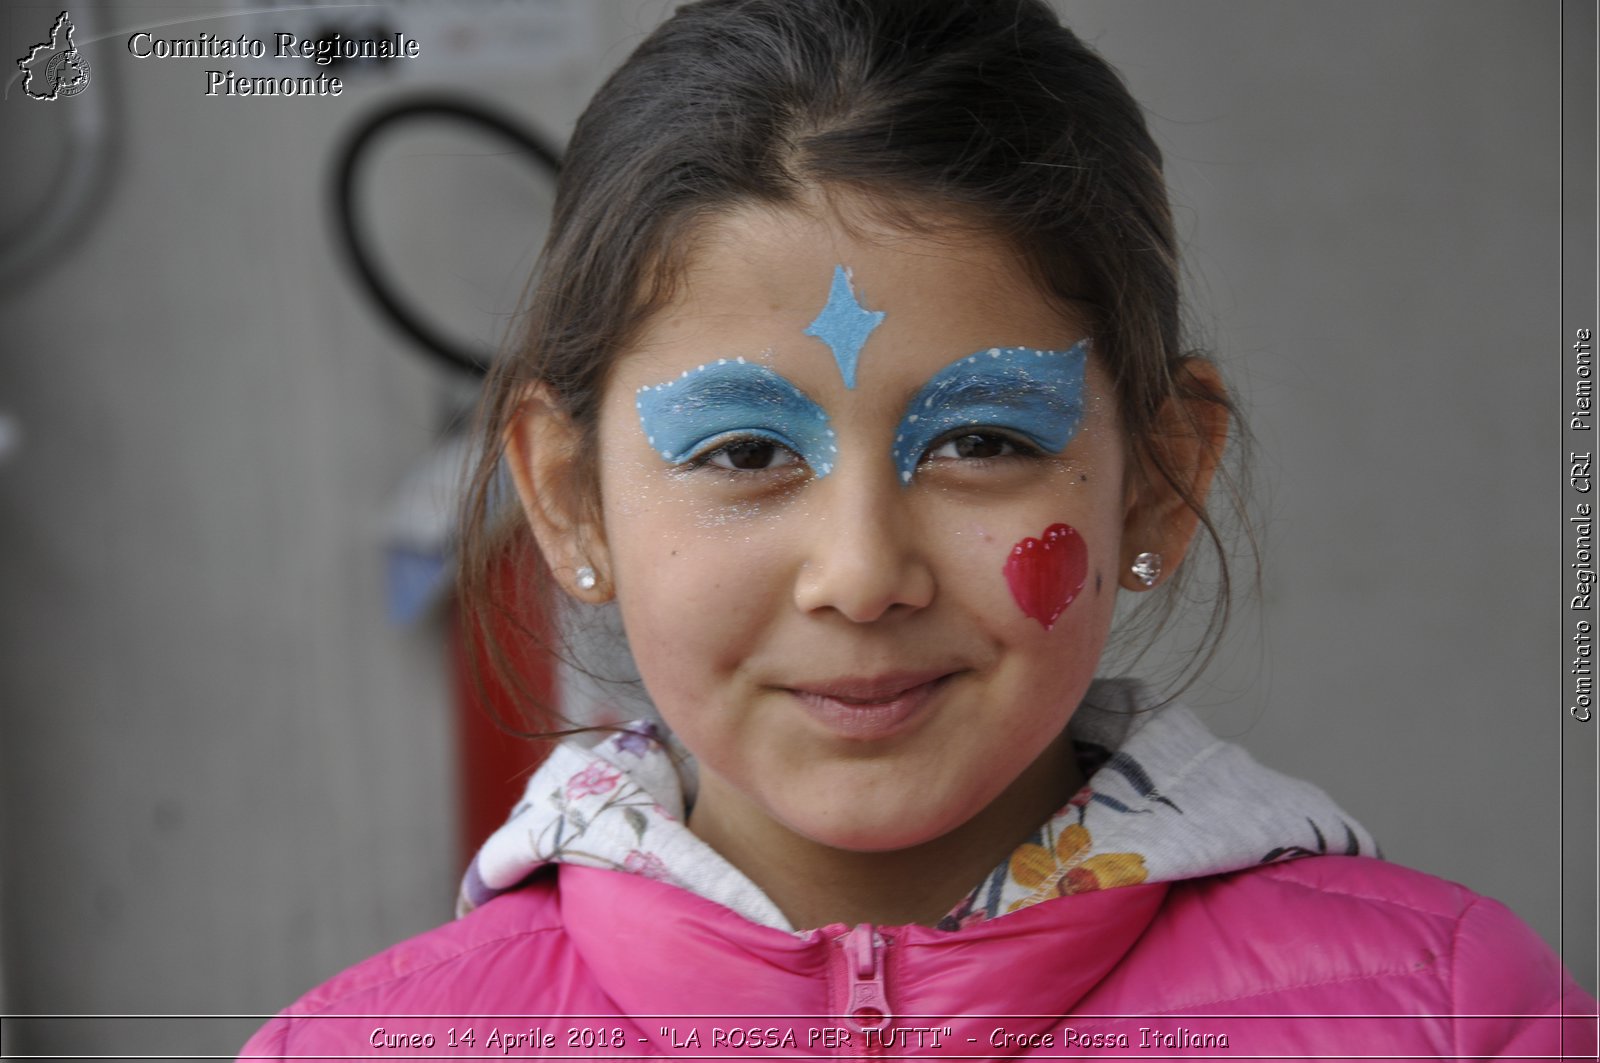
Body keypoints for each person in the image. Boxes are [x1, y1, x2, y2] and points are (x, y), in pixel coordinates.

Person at [240, 0, 1596, 1057]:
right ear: (570, 499)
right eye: (744, 450)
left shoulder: (1450, 1020)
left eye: (984, 441)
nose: (863, 573)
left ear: (1163, 480)